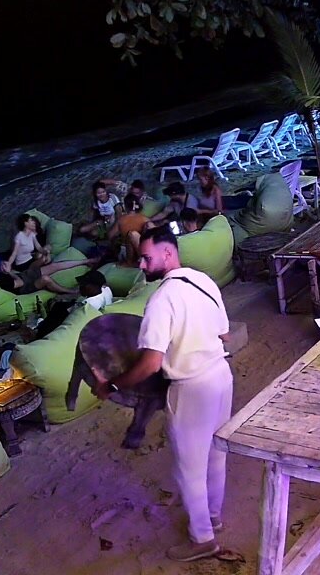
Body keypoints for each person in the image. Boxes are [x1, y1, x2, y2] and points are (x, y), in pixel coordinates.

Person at [92, 227, 232, 562]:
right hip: (221, 377)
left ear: (168, 253)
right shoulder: (204, 281)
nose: (141, 265)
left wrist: (112, 385)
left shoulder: (162, 299)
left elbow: (151, 363)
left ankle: (203, 539)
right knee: (216, 455)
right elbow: (225, 334)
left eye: (146, 258)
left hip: (191, 388)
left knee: (189, 469)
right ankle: (213, 517)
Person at [0, 254, 100, 296]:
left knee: (54, 266)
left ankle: (87, 261)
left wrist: (9, 270)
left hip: (22, 276)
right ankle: (71, 291)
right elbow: (20, 283)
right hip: (23, 287)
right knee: (45, 279)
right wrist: (9, 272)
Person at [109, 193, 151, 265]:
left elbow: (110, 235)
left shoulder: (121, 220)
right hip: (142, 251)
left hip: (127, 253)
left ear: (125, 206)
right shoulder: (145, 219)